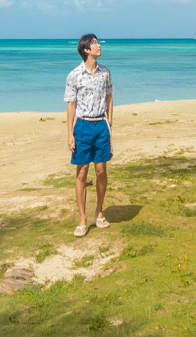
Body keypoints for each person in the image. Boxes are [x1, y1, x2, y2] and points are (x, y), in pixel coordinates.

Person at [64, 32, 113, 237]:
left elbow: (109, 97)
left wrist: (109, 123)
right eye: (94, 43)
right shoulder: (74, 75)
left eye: (98, 42)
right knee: (82, 172)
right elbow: (71, 106)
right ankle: (82, 218)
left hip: (101, 125)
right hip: (82, 126)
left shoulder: (105, 73)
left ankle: (99, 212)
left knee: (101, 170)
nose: (99, 45)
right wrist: (69, 134)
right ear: (86, 50)